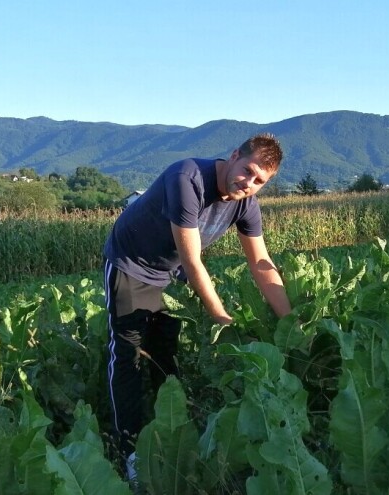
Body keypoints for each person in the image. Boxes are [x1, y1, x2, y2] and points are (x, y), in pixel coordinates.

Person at [101, 132, 292, 477]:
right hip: (132, 263)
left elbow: (261, 263)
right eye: (247, 170)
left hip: (171, 272)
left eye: (259, 181)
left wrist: (292, 323)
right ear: (234, 154)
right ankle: (127, 450)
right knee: (128, 355)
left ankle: (170, 437)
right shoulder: (186, 178)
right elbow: (193, 263)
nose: (248, 183)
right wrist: (221, 317)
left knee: (165, 354)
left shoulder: (245, 203)